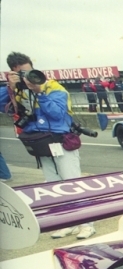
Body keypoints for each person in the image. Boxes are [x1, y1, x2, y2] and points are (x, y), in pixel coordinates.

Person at [6, 51, 94, 239]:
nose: (28, 77)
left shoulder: (54, 88)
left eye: (30, 72)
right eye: (22, 74)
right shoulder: (18, 91)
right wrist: (11, 88)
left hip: (61, 141)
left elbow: (56, 114)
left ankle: (87, 223)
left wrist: (38, 92)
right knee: (53, 185)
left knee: (73, 182)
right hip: (41, 143)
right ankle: (66, 222)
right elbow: (5, 107)